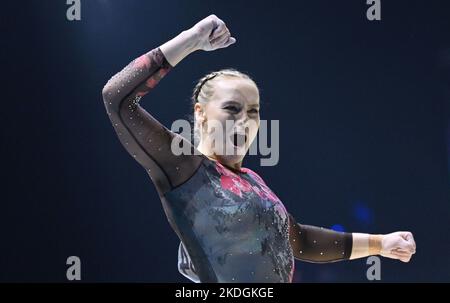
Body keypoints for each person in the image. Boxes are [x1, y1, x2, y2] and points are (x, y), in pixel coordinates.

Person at [101, 14, 416, 282]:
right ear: (200, 113)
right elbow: (117, 99)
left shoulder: (253, 181)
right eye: (232, 109)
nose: (245, 121)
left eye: (253, 111)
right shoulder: (186, 167)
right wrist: (192, 39)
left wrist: (381, 244)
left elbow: (301, 241)